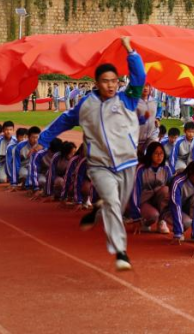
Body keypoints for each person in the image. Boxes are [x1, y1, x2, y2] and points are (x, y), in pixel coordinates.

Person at [38, 36, 144, 271]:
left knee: (117, 204)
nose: (111, 86)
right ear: (96, 82)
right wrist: (44, 140)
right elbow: (65, 120)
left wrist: (130, 51)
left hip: (127, 163)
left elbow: (139, 77)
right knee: (114, 204)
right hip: (99, 165)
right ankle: (120, 252)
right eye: (105, 81)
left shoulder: (127, 99)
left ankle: (99, 208)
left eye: (114, 81)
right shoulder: (86, 105)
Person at [128, 141, 174, 233]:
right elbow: (135, 191)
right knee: (153, 216)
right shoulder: (141, 169)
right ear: (150, 154)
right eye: (156, 153)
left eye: (161, 153)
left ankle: (162, 221)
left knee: (166, 190)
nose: (159, 156)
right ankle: (145, 222)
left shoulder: (166, 169)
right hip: (143, 200)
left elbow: (172, 189)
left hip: (158, 199)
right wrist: (135, 215)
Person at [169, 159, 194, 241]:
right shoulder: (178, 182)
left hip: (186, 208)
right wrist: (178, 232)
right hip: (171, 209)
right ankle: (164, 222)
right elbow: (175, 206)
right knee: (187, 222)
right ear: (191, 172)